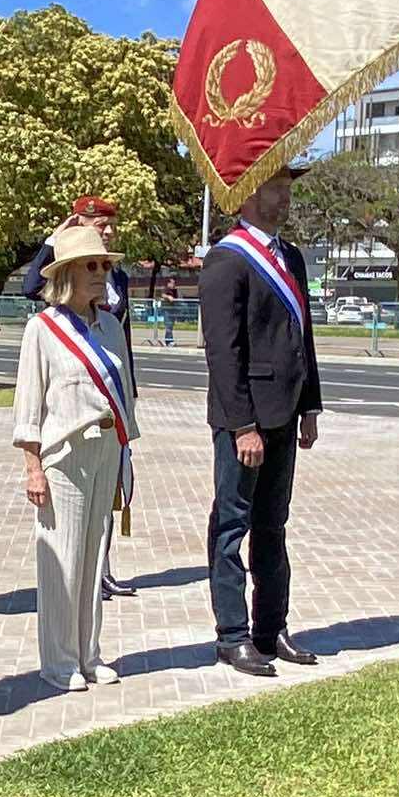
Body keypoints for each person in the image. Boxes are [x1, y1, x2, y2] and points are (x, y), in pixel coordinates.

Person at [200, 162, 324, 676]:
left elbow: (303, 338)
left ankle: (271, 628)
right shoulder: (227, 260)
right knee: (232, 526)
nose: (285, 196)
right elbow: (223, 354)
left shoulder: (290, 256)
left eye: (288, 187)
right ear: (249, 196)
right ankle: (232, 635)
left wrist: (310, 405)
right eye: (276, 187)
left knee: (273, 526)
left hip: (285, 412)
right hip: (246, 420)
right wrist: (242, 425)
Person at [14, 224, 141, 692]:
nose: (101, 271)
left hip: (108, 448)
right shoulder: (41, 329)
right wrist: (33, 467)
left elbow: (125, 394)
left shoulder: (110, 325)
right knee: (62, 560)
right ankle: (59, 660)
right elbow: (28, 407)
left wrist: (127, 454)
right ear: (66, 272)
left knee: (94, 557)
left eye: (105, 264)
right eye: (91, 264)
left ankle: (90, 653)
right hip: (63, 456)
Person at [24, 196, 139, 598]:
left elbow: (120, 341)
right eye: (97, 223)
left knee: (100, 524)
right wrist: (54, 240)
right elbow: (31, 287)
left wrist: (128, 401)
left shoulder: (118, 282)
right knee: (66, 547)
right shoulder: (44, 324)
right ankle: (62, 658)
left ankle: (102, 577)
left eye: (110, 224)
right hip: (68, 435)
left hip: (112, 400)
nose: (106, 231)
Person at [161, 275, 181, 347]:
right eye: (172, 283)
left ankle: (167, 341)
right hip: (167, 310)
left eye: (174, 283)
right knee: (168, 326)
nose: (173, 285)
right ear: (168, 283)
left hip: (173, 310)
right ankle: (169, 341)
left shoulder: (174, 290)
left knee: (170, 326)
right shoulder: (166, 289)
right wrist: (168, 297)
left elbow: (176, 299)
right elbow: (163, 295)